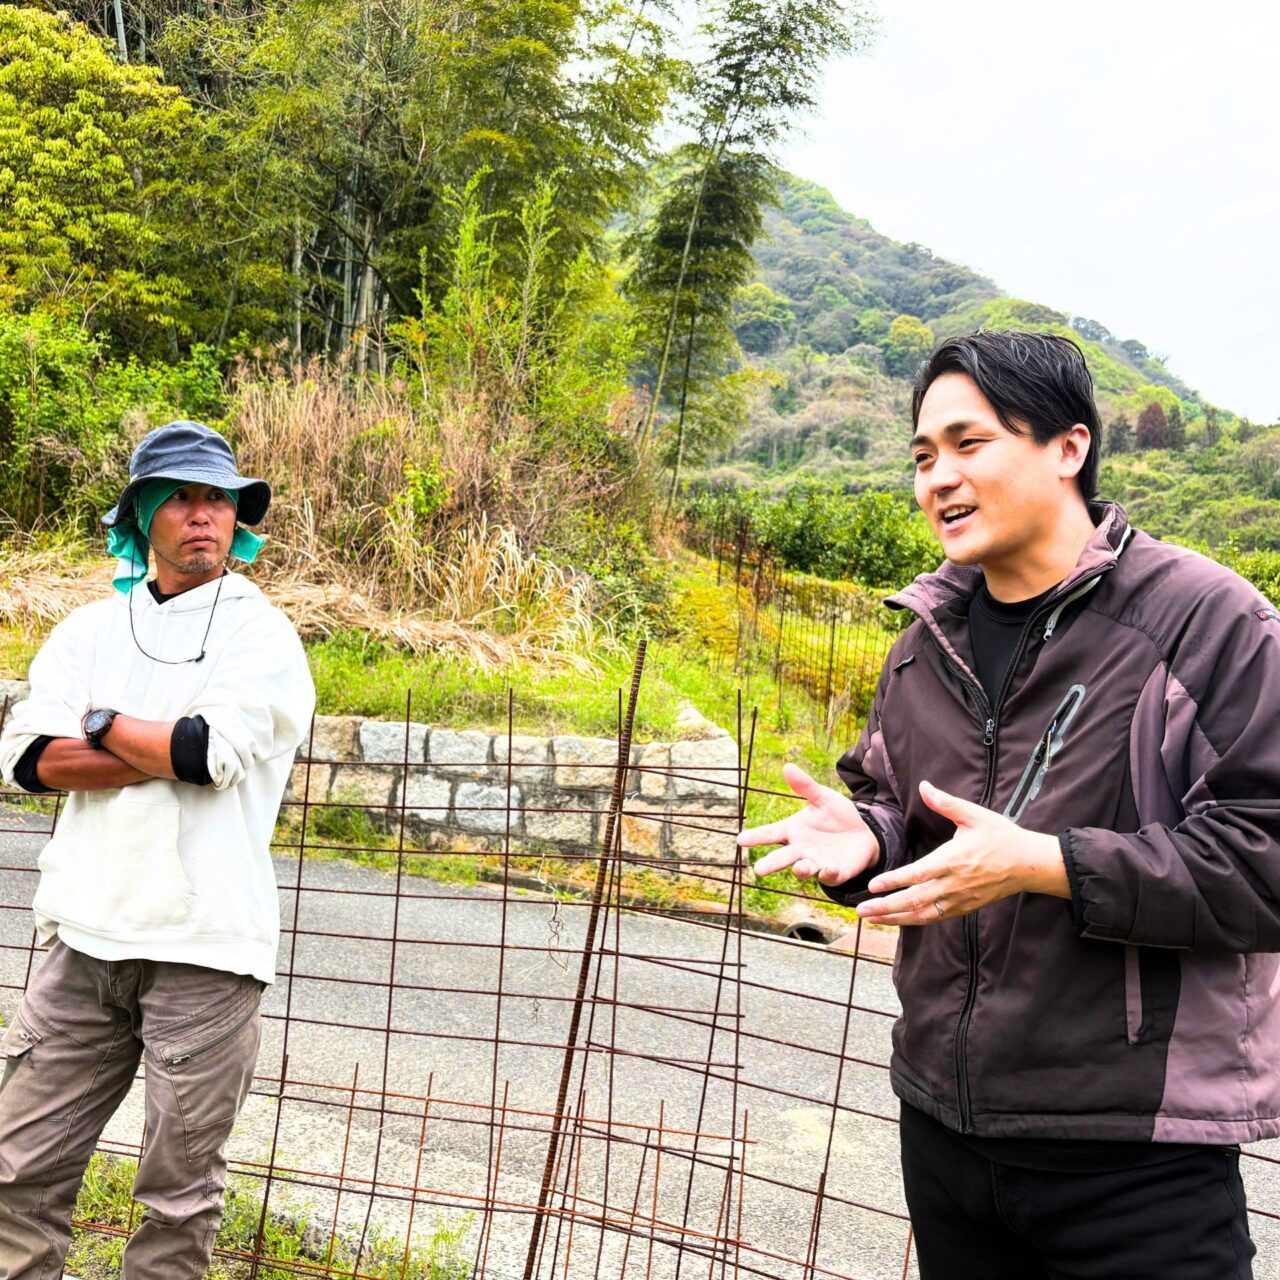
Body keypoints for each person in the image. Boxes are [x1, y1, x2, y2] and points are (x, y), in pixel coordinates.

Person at [738, 331, 1277, 1279]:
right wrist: (866, 838)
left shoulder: (1205, 622)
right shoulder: (926, 639)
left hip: (1134, 1154)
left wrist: (1049, 863)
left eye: (968, 443)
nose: (937, 477)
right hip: (945, 1130)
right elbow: (899, 806)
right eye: (921, 456)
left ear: (1069, 448)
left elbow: (1268, 855)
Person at [0, 420, 315, 1278]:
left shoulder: (262, 636)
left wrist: (98, 726)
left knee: (176, 1199)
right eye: (179, 497)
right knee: (17, 1174)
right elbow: (29, 761)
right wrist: (145, 743)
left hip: (205, 949)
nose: (202, 515)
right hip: (82, 939)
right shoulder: (90, 631)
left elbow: (204, 753)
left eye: (218, 498)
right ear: (141, 516)